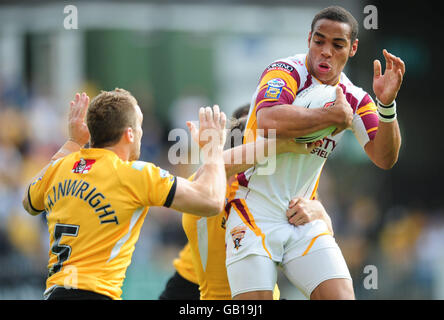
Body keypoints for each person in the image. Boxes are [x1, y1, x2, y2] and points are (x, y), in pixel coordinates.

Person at [225, 5, 405, 300]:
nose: (325, 51)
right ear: (308, 38)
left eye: (337, 45)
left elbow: (384, 158)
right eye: (319, 41)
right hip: (252, 209)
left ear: (353, 48)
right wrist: (331, 118)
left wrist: (386, 106)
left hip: (303, 215)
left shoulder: (355, 98)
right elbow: (270, 119)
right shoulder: (284, 71)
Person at [22, 89, 228, 300]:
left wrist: (73, 142)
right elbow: (210, 201)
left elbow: (28, 202)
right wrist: (213, 148)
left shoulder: (61, 166)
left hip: (54, 294)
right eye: (139, 125)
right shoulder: (134, 173)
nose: (141, 133)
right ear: (130, 133)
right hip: (97, 294)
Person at [161, 105, 332, 300]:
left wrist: (319, 213)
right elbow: (217, 168)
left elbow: (326, 242)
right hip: (193, 284)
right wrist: (281, 144)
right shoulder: (207, 188)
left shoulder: (281, 191)